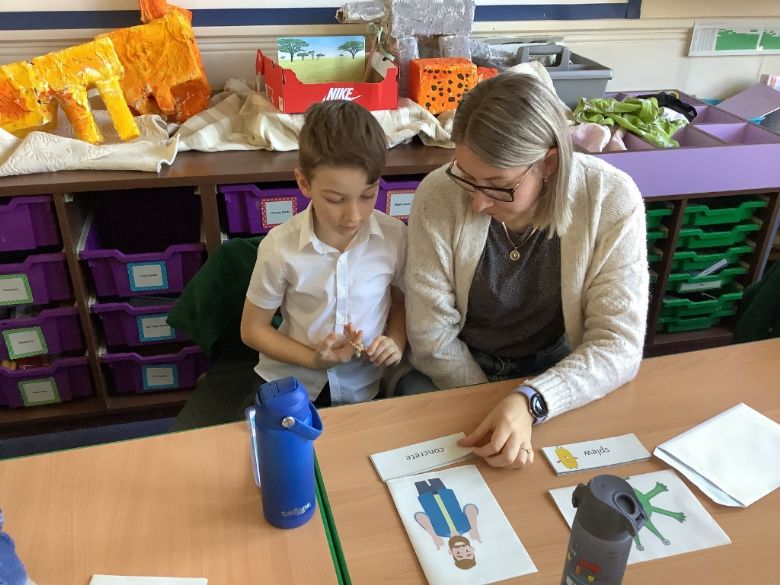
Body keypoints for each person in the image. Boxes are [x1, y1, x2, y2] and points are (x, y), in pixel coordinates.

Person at [401, 72, 649, 468]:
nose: (478, 203)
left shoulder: (611, 198)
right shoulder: (439, 194)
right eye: (467, 177)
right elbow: (431, 335)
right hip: (456, 368)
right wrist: (495, 409)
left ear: (549, 163)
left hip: (558, 370)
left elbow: (617, 344)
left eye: (497, 184)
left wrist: (530, 401)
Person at [241, 100, 407, 406]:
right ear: (304, 183)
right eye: (335, 199)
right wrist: (313, 359)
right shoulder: (279, 247)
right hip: (290, 381)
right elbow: (253, 329)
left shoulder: (395, 237)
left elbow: (400, 302)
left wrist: (395, 341)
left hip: (362, 389)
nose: (354, 215)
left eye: (368, 195)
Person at [413, 478, 480, 570]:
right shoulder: (467, 526)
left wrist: (434, 536)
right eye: (468, 553)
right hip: (444, 492)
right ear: (472, 549)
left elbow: (419, 516)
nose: (462, 550)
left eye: (459, 554)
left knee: (418, 478)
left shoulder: (437, 532)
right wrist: (475, 529)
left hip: (426, 497)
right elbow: (470, 507)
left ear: (450, 552)